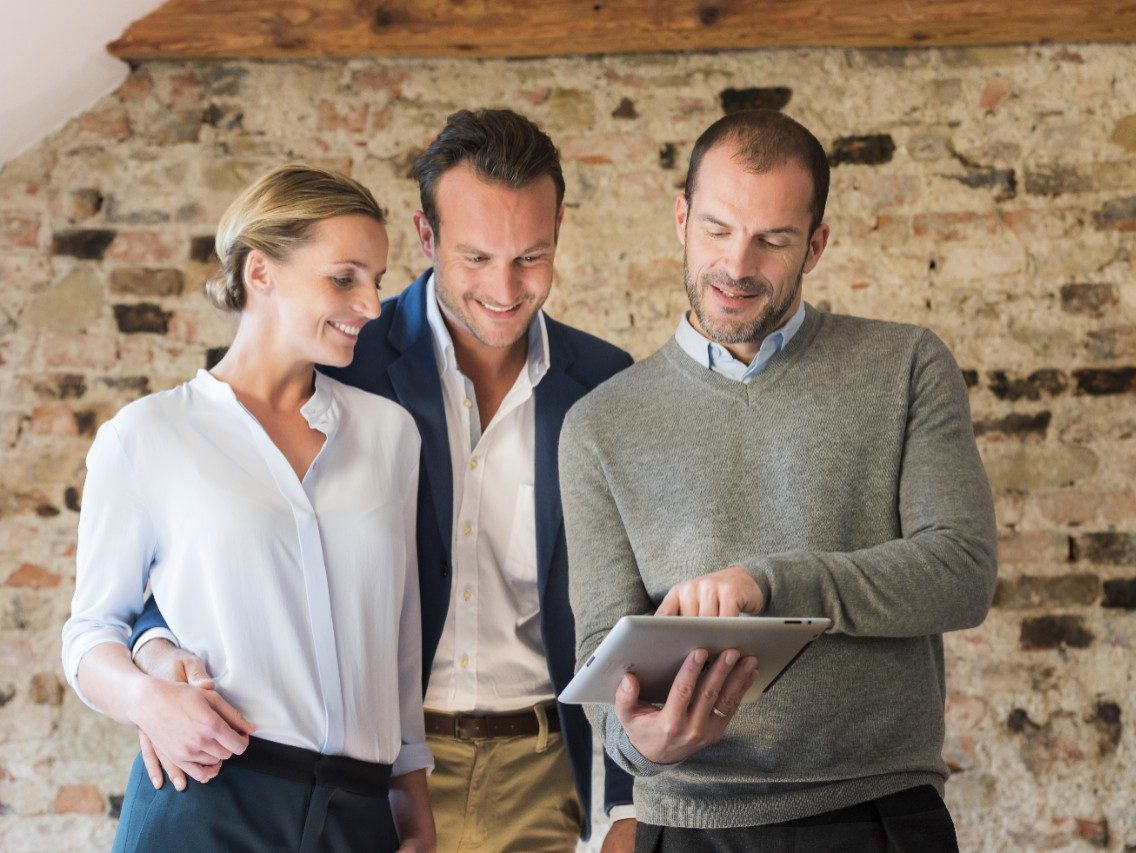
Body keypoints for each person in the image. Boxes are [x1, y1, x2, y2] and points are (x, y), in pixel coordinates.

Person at [130, 109, 637, 851]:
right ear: (425, 237)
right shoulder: (342, 360)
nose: (505, 286)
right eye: (475, 257)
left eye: (532, 255)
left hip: (542, 768)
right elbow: (204, 545)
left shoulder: (605, 385)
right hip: (370, 779)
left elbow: (629, 600)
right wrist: (152, 669)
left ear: (559, 229)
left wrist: (622, 806)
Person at [559, 109, 998, 852]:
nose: (737, 264)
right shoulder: (599, 424)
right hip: (687, 822)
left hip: (879, 811)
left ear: (817, 244)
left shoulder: (908, 366)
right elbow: (605, 656)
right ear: (680, 217)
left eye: (773, 239)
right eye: (718, 229)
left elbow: (961, 571)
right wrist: (646, 743)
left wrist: (770, 586)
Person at [61, 165, 436, 852]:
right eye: (346, 277)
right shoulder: (147, 435)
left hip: (359, 817)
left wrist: (412, 808)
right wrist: (149, 699)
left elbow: (399, 640)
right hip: (207, 800)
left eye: (378, 280)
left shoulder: (390, 434)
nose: (373, 305)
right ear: (260, 272)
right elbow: (89, 634)